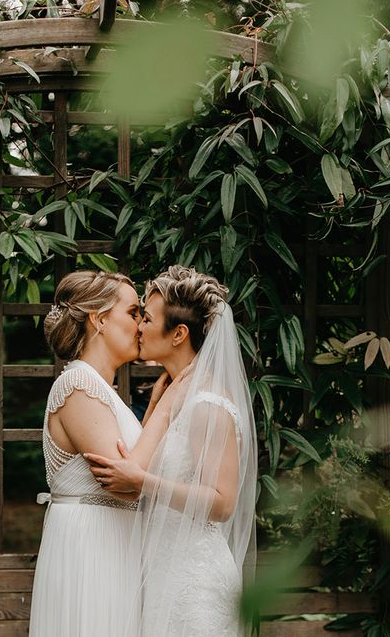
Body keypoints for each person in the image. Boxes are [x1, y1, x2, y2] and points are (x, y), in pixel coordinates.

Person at [85, 266, 258, 636]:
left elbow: (223, 502)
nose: (139, 327)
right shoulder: (175, 393)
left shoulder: (207, 404)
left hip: (195, 584)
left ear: (179, 333)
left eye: (146, 318)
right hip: (165, 574)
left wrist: (144, 482)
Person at [28, 270, 171, 637]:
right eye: (133, 312)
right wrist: (168, 403)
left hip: (114, 541)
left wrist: (155, 404)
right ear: (100, 319)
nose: (141, 324)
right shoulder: (77, 384)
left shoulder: (102, 390)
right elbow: (123, 483)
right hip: (90, 548)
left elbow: (135, 465)